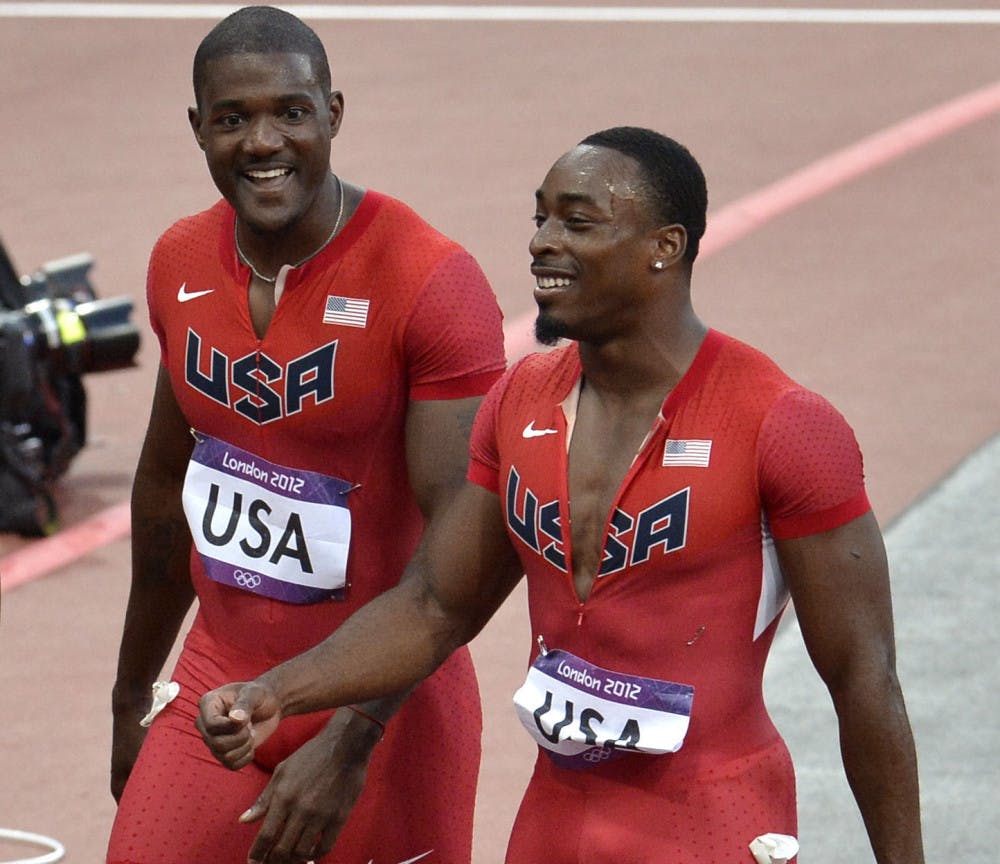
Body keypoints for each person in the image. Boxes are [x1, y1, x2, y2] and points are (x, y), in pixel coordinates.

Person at [197, 126, 926, 863]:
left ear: (664, 247)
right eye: (540, 218)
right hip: (553, 825)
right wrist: (279, 693)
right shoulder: (520, 399)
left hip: (710, 823)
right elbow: (435, 607)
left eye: (577, 222)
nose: (543, 242)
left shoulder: (781, 425)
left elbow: (864, 677)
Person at [107, 6, 506, 864]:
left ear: (332, 112)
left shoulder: (430, 281)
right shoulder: (178, 260)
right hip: (220, 679)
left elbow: (460, 555)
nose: (262, 141)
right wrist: (132, 692)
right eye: (232, 118)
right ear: (197, 128)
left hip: (386, 706)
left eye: (289, 112)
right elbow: (163, 492)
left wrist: (352, 738)